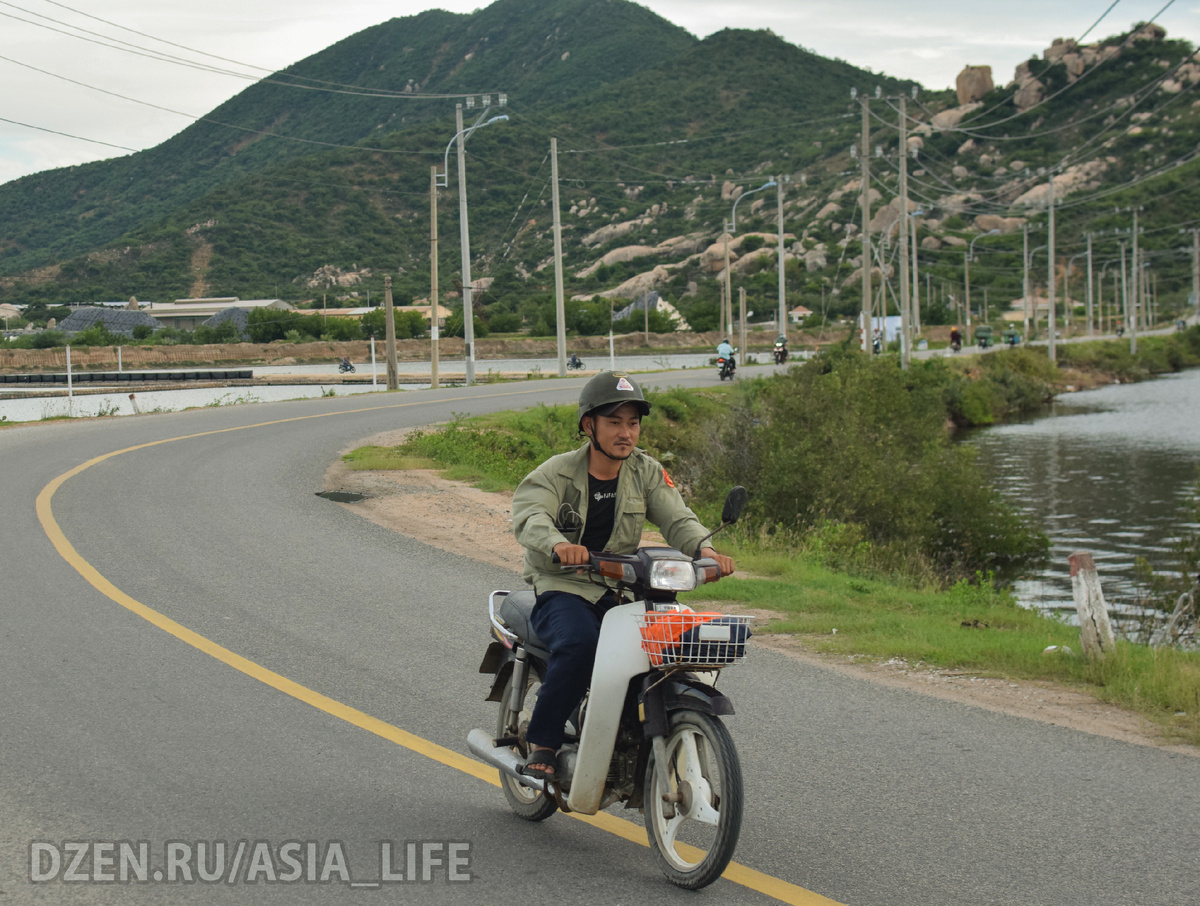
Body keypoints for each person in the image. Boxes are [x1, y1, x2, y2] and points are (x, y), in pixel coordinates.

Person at [510, 371, 736, 781]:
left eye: (633, 422)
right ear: (588, 425)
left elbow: (677, 517)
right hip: (564, 585)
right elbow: (530, 515)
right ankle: (543, 741)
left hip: (620, 586)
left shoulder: (646, 472)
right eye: (614, 422)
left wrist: (705, 549)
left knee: (660, 650)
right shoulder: (556, 473)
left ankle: (630, 732)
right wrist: (559, 545)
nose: (625, 433)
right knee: (580, 643)